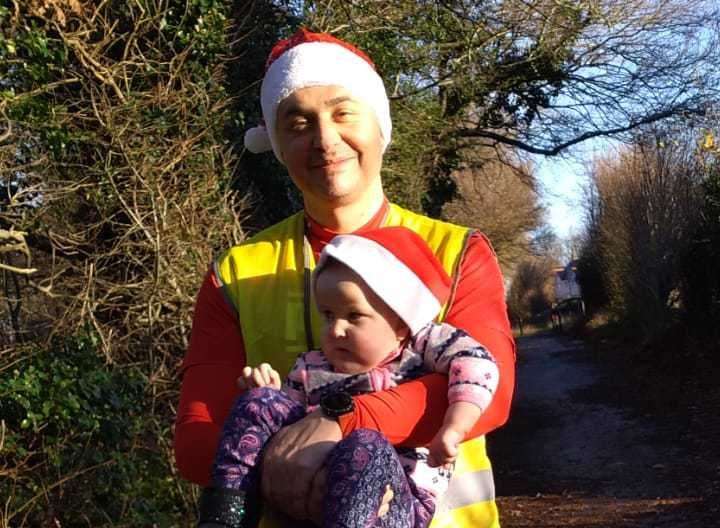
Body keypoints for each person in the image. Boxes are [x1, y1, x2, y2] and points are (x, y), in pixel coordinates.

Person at [174, 27, 516, 528]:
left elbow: (491, 392)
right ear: (276, 141)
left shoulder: (458, 251)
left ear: (380, 125)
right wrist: (281, 459)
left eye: (343, 112)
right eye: (297, 122)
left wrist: (335, 424)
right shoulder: (235, 271)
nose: (325, 139)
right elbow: (196, 439)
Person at [197, 227, 500, 527]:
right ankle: (226, 516)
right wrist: (268, 396)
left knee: (365, 445)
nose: (335, 329)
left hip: (396, 497)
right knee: (258, 402)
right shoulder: (311, 365)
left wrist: (454, 426)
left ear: (400, 320)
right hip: (308, 487)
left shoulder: (418, 351)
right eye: (328, 315)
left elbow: (476, 363)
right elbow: (291, 434)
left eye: (354, 316)